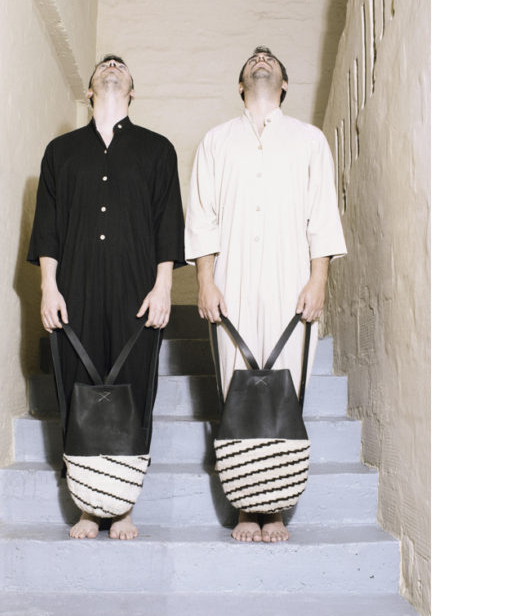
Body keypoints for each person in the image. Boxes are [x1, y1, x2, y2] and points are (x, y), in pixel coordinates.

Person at [185, 46, 348, 543]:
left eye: (271, 59)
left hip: (290, 282)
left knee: (285, 390)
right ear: (240, 85)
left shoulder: (309, 140)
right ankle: (243, 504)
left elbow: (321, 215)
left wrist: (319, 279)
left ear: (284, 84)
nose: (262, 59)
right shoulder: (216, 141)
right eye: (254, 58)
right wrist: (206, 281)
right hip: (231, 282)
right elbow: (203, 216)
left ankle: (274, 507)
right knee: (235, 389)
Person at [27, 55, 186, 540]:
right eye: (103, 66)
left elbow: (168, 222)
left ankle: (123, 506)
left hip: (137, 293)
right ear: (90, 90)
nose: (111, 66)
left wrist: (163, 287)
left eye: (120, 66)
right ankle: (87, 506)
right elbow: (48, 225)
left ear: (132, 90)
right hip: (73, 291)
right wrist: (48, 286)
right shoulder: (60, 152)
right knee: (76, 390)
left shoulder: (158, 150)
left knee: (135, 391)